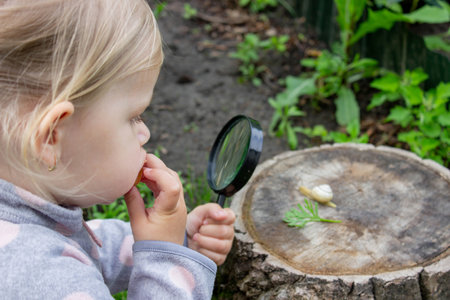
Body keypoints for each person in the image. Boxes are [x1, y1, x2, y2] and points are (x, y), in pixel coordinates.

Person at [0, 0, 235, 298]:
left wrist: (177, 236)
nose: (145, 132)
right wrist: (168, 259)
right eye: (133, 116)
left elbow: (76, 245)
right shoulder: (42, 278)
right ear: (50, 138)